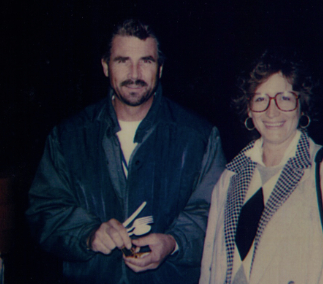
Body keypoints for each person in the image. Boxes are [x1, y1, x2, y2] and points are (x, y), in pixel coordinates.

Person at [26, 19, 226, 284]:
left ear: (160, 68)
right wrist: (88, 234)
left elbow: (217, 213)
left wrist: (173, 242)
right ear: (106, 66)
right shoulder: (68, 136)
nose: (135, 73)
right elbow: (44, 210)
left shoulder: (199, 137)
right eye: (122, 61)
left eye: (146, 61)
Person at [200, 47, 323, 284]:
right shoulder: (230, 177)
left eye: (284, 98)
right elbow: (210, 269)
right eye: (261, 98)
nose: (272, 111)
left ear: (301, 104)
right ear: (249, 109)